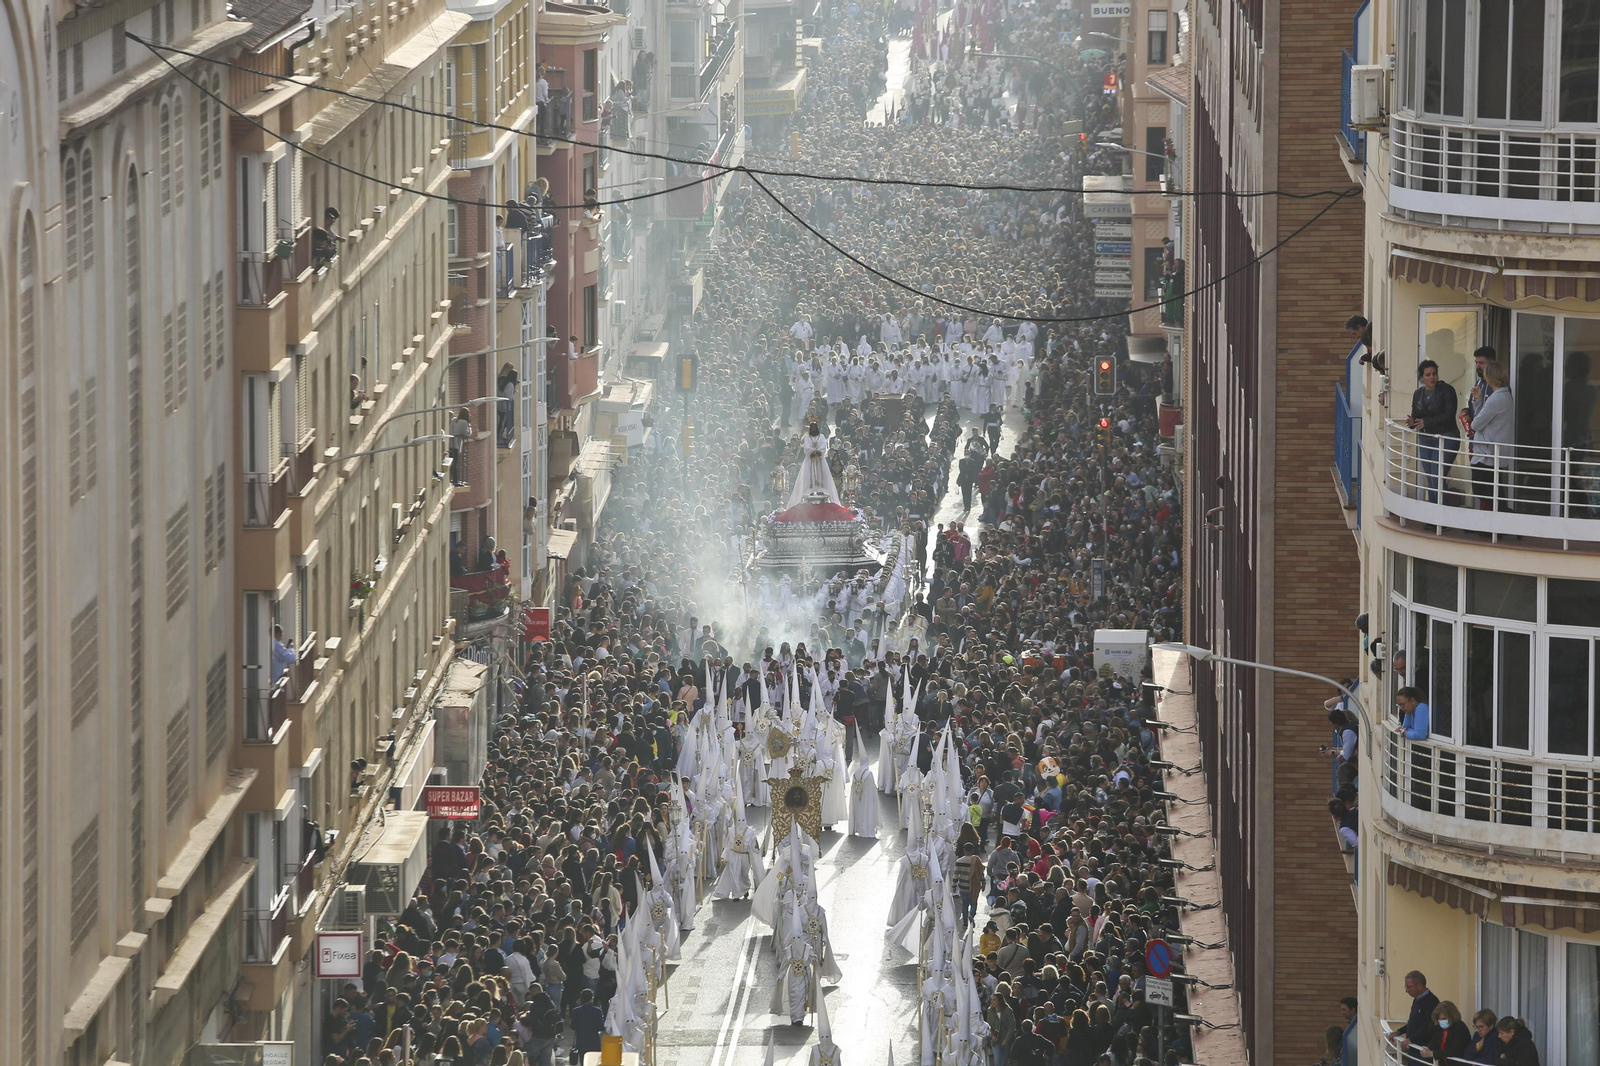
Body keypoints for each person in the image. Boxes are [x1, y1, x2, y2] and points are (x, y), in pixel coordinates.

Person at [1407, 359, 1461, 505]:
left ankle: (1443, 518)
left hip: (1446, 436)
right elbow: (1416, 413)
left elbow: (1449, 415)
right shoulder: (1418, 393)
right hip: (1425, 437)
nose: (1432, 377)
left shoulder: (1447, 390)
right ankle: (1433, 516)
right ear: (1421, 378)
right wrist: (1413, 422)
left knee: (1437, 476)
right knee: (1430, 476)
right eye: (1428, 375)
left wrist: (1427, 422)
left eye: (1434, 374)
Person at [1466, 360, 1513, 513]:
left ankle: (1511, 517)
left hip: (1487, 454)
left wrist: (1479, 402)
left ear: (1489, 377)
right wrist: (1479, 400)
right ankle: (1499, 526)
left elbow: (1476, 424)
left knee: (1480, 489)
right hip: (1494, 452)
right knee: (1495, 493)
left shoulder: (1496, 399)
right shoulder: (1505, 395)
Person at [1392, 970, 1440, 1064]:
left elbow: (1428, 1026)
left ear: (1419, 986)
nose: (1406, 990)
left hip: (1423, 1052)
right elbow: (1413, 1022)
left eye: (1409, 987)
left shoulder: (1432, 1001)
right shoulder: (1416, 1000)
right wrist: (1399, 1031)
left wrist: (1410, 1040)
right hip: (1413, 1049)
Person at [1340, 996, 1358, 1066]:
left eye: (1344, 1010)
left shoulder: (1356, 1027)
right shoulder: (1353, 1026)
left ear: (1353, 1010)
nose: (1342, 1012)